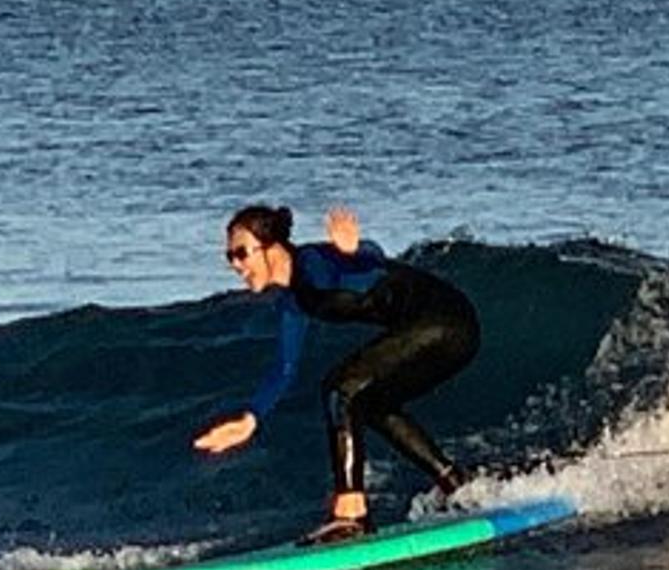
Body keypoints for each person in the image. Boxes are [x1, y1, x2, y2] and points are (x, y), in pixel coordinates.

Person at [193, 204, 482, 544]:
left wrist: (353, 249)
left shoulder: (313, 261)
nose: (236, 264)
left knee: (340, 389)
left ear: (271, 246)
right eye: (230, 256)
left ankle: (351, 513)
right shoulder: (295, 301)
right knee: (369, 403)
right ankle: (454, 481)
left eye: (241, 253)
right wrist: (250, 419)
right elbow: (284, 369)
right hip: (441, 328)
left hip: (444, 319)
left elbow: (370, 258)